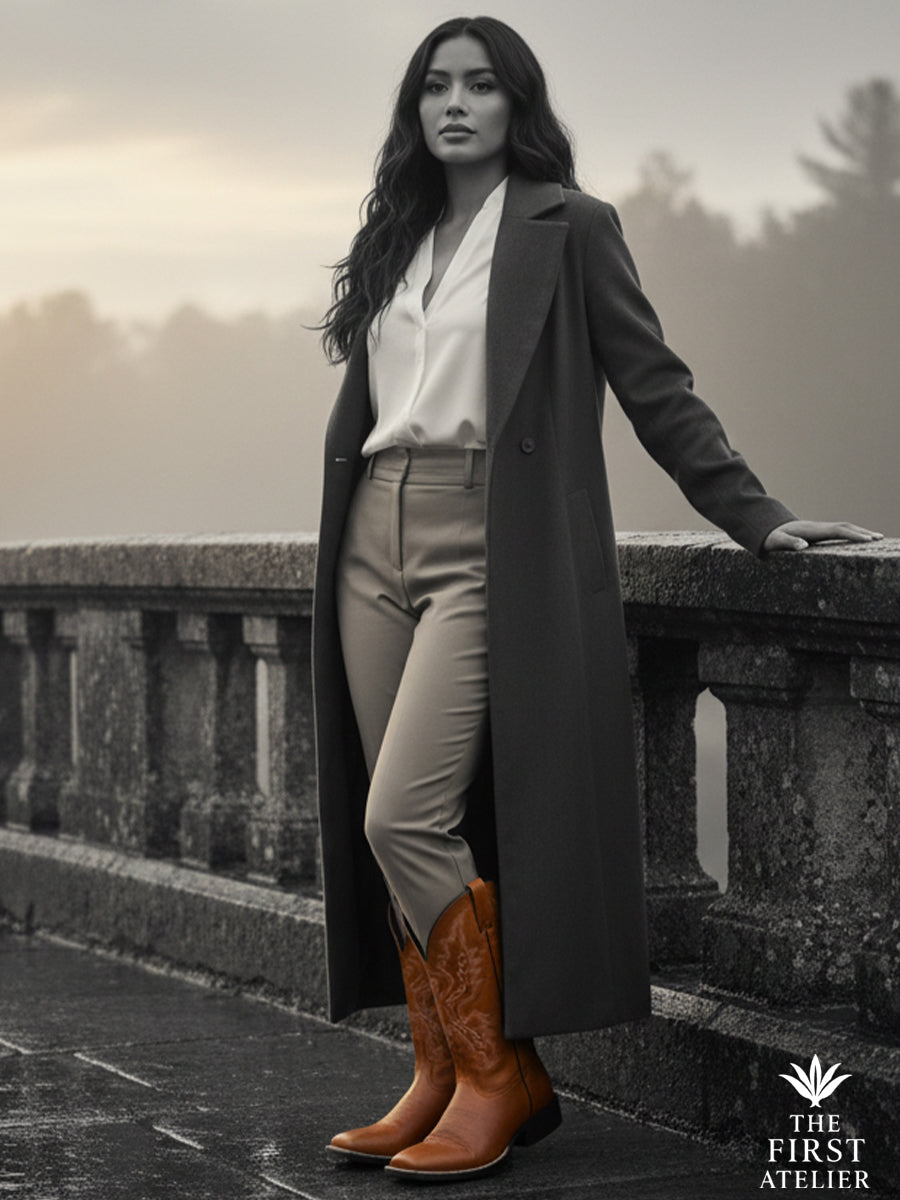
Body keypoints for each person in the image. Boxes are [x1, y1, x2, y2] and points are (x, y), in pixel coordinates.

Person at [312, 15, 882, 1183]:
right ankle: (439, 1069)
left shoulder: (570, 229)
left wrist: (760, 516)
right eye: (435, 87)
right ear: (414, 110)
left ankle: (497, 1076)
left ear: (519, 104)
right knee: (399, 823)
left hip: (492, 541)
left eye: (480, 85)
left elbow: (655, 386)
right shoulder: (397, 232)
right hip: (372, 529)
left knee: (400, 816)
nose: (455, 104)